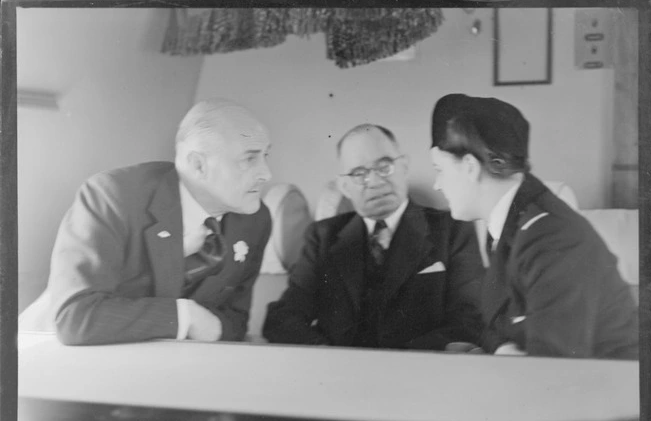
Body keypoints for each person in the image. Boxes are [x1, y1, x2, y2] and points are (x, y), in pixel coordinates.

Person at [45, 98, 272, 345]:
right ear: (198, 165)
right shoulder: (114, 196)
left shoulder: (255, 220)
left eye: (265, 156)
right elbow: (75, 317)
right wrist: (186, 317)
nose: (267, 174)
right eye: (249, 159)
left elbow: (234, 322)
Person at [429, 93, 639, 359]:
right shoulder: (509, 222)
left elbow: (554, 370)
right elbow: (494, 322)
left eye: (439, 169)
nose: (437, 184)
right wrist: (501, 348)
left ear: (470, 167)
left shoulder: (553, 239)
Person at [263, 124, 485, 350]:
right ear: (345, 186)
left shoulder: (452, 231)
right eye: (359, 174)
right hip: (340, 373)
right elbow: (283, 317)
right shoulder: (323, 236)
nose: (376, 182)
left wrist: (399, 363)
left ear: (404, 167)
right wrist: (325, 354)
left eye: (385, 166)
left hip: (419, 372)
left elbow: (469, 319)